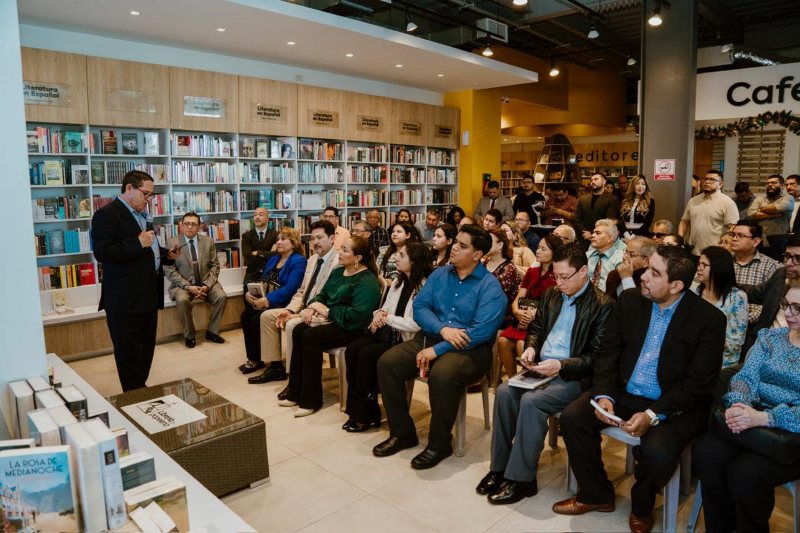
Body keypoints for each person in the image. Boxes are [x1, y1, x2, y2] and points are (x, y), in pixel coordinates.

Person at [553, 245, 726, 533]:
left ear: (677, 285)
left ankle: (642, 506)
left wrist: (653, 414)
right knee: (572, 418)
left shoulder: (709, 320)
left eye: (654, 273)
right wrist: (605, 395)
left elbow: (698, 384)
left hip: (672, 406)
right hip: (624, 393)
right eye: (647, 267)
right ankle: (597, 493)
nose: (643, 276)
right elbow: (608, 352)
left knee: (657, 454)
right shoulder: (631, 300)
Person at [479, 243, 616, 505]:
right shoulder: (552, 294)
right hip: (542, 368)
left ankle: (522, 479)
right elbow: (537, 328)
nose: (560, 282)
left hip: (574, 376)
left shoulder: (603, 305)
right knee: (506, 392)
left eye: (566, 277)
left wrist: (562, 365)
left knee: (532, 403)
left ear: (584, 272)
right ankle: (499, 469)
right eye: (556, 276)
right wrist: (531, 348)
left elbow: (597, 357)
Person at [374, 225, 505, 469]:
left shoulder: (490, 287)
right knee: (388, 363)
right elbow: (421, 307)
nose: (454, 247)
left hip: (471, 350)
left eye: (463, 246)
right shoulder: (439, 274)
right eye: (455, 242)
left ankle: (440, 443)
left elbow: (481, 332)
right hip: (432, 337)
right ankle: (403, 433)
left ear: (477, 255)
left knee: (442, 375)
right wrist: (443, 331)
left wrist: (438, 350)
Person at [694, 285, 800, 533]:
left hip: (790, 431)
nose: (789, 313)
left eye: (798, 308)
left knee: (745, 474)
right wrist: (739, 404)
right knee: (708, 454)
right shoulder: (770, 337)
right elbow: (746, 377)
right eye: (786, 304)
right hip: (752, 417)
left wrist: (766, 417)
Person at [91, 170, 177, 391]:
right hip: (124, 298)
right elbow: (102, 252)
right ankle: (133, 393)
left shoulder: (142, 215)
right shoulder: (106, 215)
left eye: (151, 196)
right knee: (129, 351)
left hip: (148, 293)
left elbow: (150, 248)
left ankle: (140, 388)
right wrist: (137, 243)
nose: (149, 200)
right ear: (129, 188)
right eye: (146, 194)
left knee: (146, 348)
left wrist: (166, 254)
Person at [281, 236, 382, 416]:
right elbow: (323, 294)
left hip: (353, 328)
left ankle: (311, 399)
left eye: (344, 250)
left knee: (310, 337)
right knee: (298, 330)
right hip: (333, 320)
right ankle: (295, 391)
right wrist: (312, 307)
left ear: (358, 258)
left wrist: (327, 312)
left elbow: (358, 316)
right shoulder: (338, 271)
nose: (339, 253)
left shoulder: (367, 281)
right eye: (340, 248)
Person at [343, 242, 431, 432]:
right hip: (388, 335)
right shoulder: (398, 282)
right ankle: (361, 411)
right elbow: (386, 307)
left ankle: (364, 415)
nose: (396, 258)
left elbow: (415, 324)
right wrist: (378, 315)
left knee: (366, 354)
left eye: (402, 255)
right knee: (353, 349)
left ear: (414, 261)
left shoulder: (424, 286)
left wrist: (387, 318)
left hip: (407, 341)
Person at [247, 221, 340, 384]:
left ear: (332, 238)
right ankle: (275, 368)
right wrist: (290, 310)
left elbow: (331, 296)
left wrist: (303, 311)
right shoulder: (312, 260)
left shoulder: (338, 262)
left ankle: (293, 378)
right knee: (266, 317)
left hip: (320, 311)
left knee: (291, 325)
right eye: (313, 238)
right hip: (301, 306)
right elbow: (301, 291)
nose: (315, 242)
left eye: (320, 237)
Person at [496, 234, 564, 378]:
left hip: (541, 322)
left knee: (522, 343)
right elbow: (520, 296)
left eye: (543, 249)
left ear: (554, 253)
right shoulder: (532, 272)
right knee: (502, 340)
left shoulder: (558, 276)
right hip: (523, 318)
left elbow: (555, 305)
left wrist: (534, 315)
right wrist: (515, 310)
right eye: (538, 247)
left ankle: (527, 378)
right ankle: (512, 378)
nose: (538, 251)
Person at [240, 227, 306, 370]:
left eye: (283, 239)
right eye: (277, 240)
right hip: (269, 298)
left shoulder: (298, 261)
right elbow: (263, 279)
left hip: (285, 302)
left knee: (257, 318)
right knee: (246, 315)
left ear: (293, 243)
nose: (279, 242)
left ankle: (267, 362)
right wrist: (252, 294)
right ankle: (254, 358)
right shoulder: (274, 258)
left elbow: (291, 288)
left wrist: (268, 299)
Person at [165, 212, 228, 348]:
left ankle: (212, 331)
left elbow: (215, 266)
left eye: (193, 224)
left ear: (199, 226)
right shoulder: (172, 242)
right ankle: (190, 335)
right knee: (182, 300)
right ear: (181, 225)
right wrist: (188, 287)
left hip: (206, 282)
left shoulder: (208, 241)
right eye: (186, 224)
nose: (189, 227)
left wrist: (207, 285)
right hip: (183, 285)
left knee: (221, 296)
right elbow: (169, 270)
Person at [739, 236, 800, 354]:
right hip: (761, 346)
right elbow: (755, 293)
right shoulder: (781, 275)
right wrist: (725, 280)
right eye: (787, 256)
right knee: (725, 373)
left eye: (797, 258)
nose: (789, 263)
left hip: (791, 355)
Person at [695, 246, 748, 368]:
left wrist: (704, 342)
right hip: (692, 354)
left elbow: (736, 342)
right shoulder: (694, 290)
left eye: (704, 265)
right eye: (699, 264)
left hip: (721, 361)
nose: (699, 268)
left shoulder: (737, 297)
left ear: (718, 267)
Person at [679, 169, 739, 255]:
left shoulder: (727, 202)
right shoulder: (693, 200)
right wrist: (680, 238)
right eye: (705, 179)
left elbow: (733, 227)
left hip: (715, 252)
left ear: (720, 184)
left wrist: (727, 246)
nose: (707, 182)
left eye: (712, 180)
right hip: (693, 250)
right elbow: (684, 221)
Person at [730, 223, 780, 325]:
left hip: (754, 325)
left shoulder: (771, 266)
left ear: (756, 241)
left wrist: (743, 320)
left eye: (740, 236)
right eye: (733, 235)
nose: (734, 239)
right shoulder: (723, 262)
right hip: (721, 322)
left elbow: (770, 301)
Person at [483, 228, 521, 328]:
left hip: (502, 316)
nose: (484, 244)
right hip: (484, 311)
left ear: (500, 245)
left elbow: (491, 294)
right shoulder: (484, 263)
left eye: (489, 241)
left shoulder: (509, 268)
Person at [747, 174, 794, 250]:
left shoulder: (788, 198)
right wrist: (774, 215)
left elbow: (783, 207)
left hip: (779, 242)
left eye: (773, 183)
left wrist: (761, 209)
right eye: (768, 183)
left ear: (782, 186)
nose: (769, 185)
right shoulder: (760, 199)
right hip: (760, 241)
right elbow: (750, 214)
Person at [604, 236, 656, 301]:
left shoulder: (650, 281)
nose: (624, 257)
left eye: (631, 255)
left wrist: (627, 278)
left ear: (646, 261)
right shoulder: (614, 275)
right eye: (625, 252)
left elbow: (637, 308)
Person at [574, 173, 620, 242]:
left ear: (604, 181)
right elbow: (577, 218)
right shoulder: (583, 199)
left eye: (596, 179)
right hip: (583, 237)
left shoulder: (612, 199)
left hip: (601, 237)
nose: (593, 182)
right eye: (591, 180)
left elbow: (609, 220)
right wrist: (584, 231)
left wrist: (592, 232)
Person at [586, 219, 626, 292]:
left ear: (610, 238)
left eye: (598, 233)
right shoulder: (587, 256)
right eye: (593, 233)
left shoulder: (621, 258)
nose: (592, 236)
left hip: (609, 299)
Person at [241, 207, 278, 277]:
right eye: (255, 215)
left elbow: (277, 255)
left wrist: (258, 253)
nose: (257, 217)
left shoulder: (275, 235)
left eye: (261, 215)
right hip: (252, 274)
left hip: (271, 273)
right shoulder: (246, 236)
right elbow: (248, 258)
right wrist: (269, 254)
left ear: (267, 218)